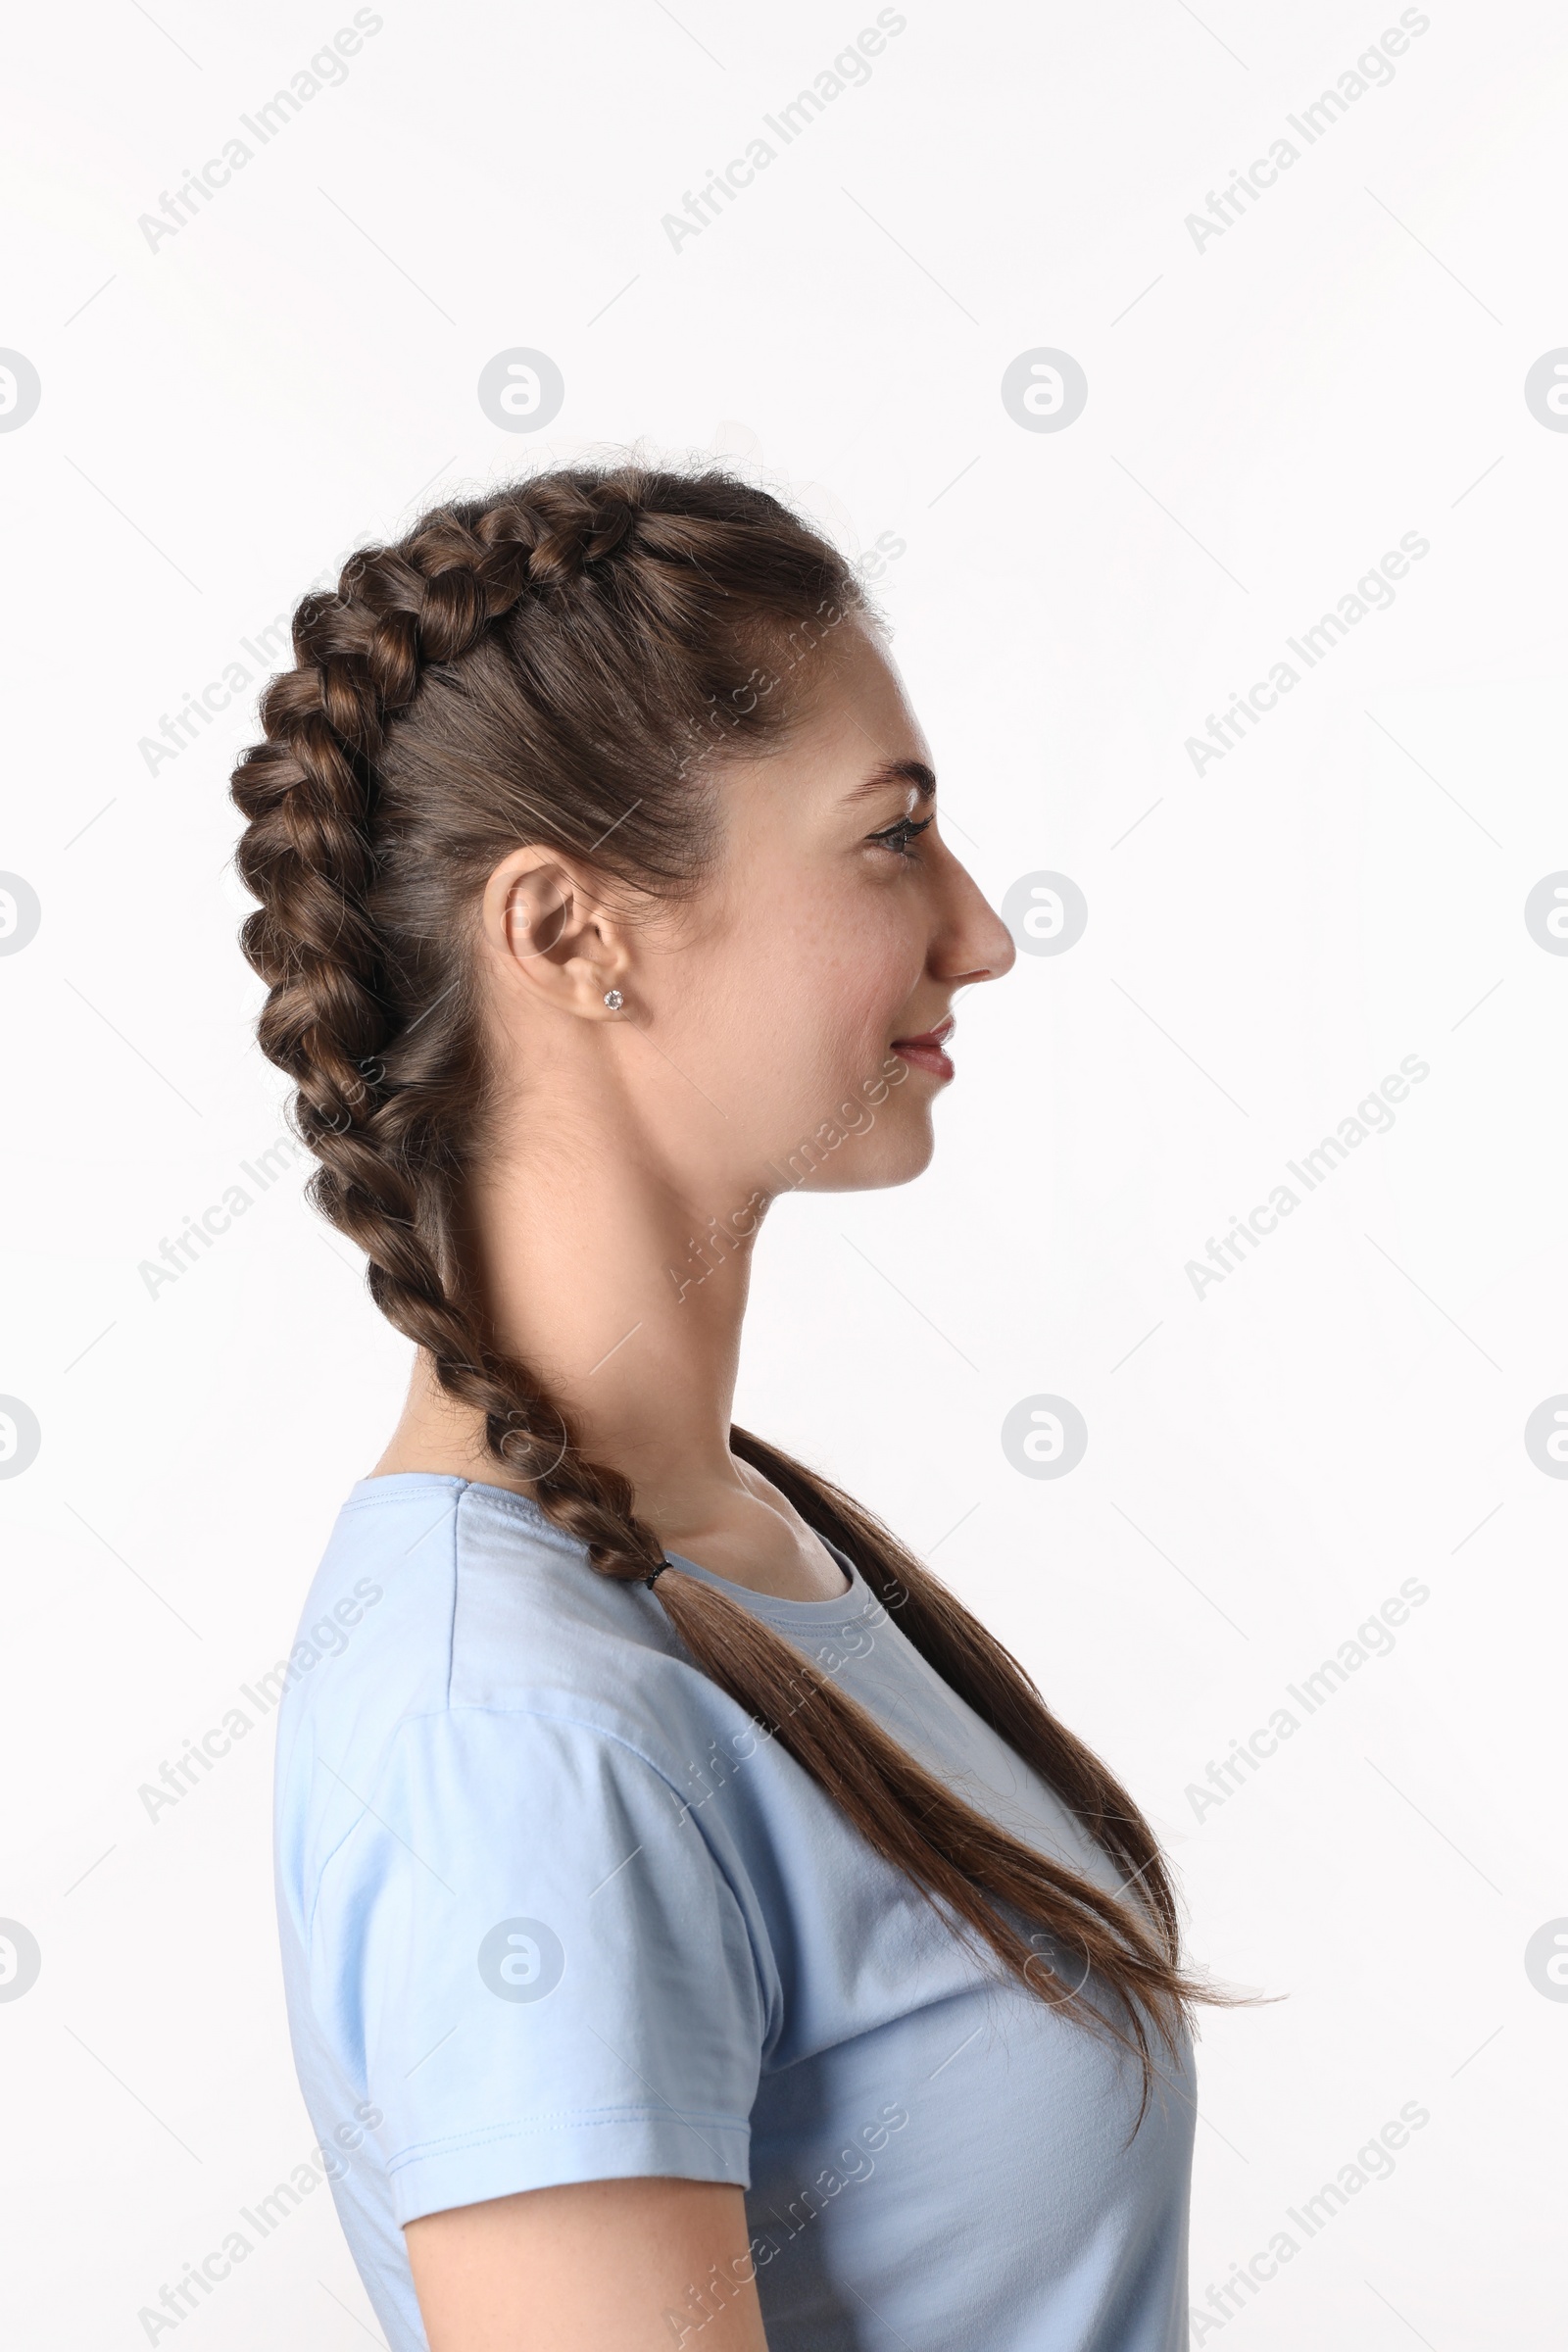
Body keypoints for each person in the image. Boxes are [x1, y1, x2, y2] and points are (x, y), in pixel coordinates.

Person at [231, 463, 1229, 2351]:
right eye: (889, 837)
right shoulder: (517, 1732)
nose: (979, 932)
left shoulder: (738, 1538)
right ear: (569, 934)